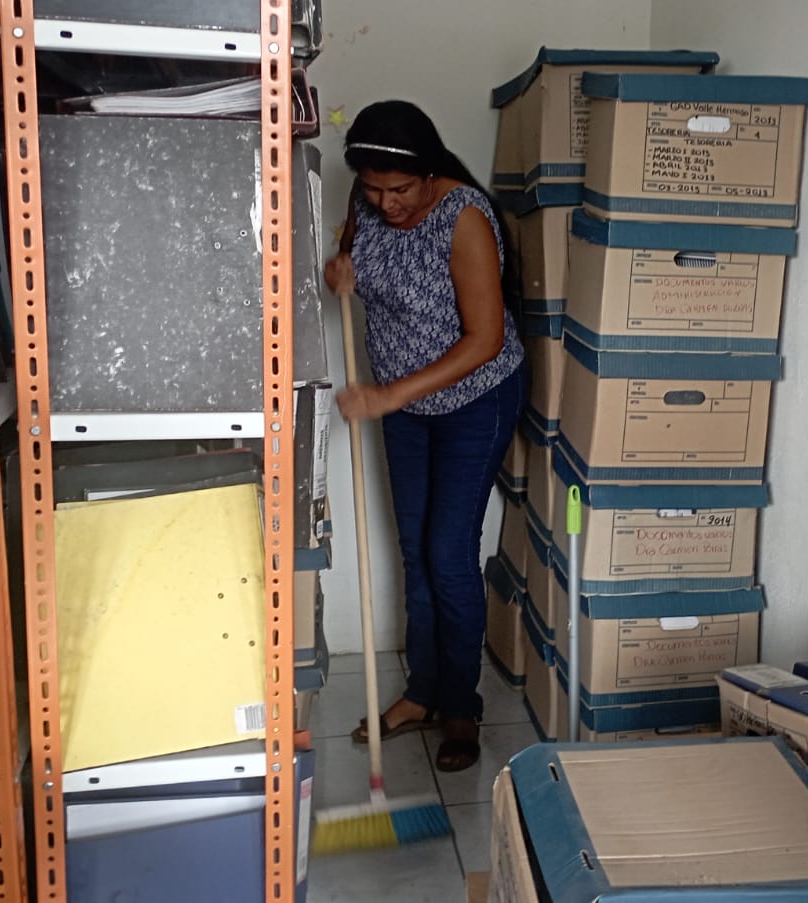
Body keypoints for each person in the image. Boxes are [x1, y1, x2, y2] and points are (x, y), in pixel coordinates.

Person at [322, 100, 526, 773]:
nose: (387, 203)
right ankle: (422, 692)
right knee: (415, 550)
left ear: (430, 172)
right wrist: (339, 269)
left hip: (475, 398)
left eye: (400, 190)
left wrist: (388, 396)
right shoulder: (368, 201)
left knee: (448, 554)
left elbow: (485, 338)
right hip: (405, 406)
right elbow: (354, 256)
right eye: (374, 190)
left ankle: (461, 705)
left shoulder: (464, 218)